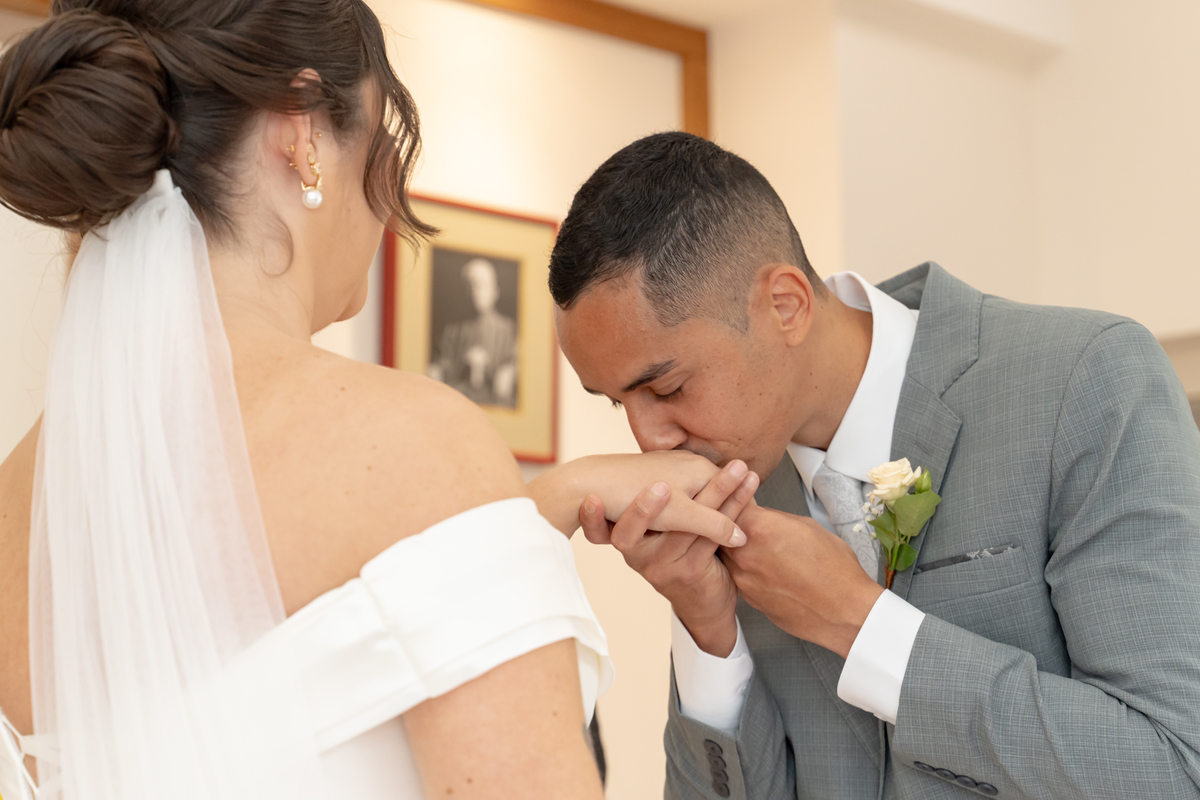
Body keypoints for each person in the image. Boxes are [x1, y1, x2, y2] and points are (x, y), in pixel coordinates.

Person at [0, 6, 750, 800]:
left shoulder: (17, 500)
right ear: (302, 133)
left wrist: (529, 511)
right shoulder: (413, 446)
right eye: (381, 136)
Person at [549, 132, 1200, 799]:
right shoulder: (729, 486)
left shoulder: (1085, 381)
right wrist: (707, 630)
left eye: (667, 388)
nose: (648, 440)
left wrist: (856, 621)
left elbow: (1174, 768)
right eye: (617, 403)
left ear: (785, 305)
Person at [428, 257, 519, 408]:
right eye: (470, 285)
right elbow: (442, 364)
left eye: (481, 285)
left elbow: (513, 364)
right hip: (458, 398)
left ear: (495, 290)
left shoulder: (508, 329)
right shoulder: (452, 330)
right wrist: (461, 363)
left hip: (493, 401)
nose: (476, 291)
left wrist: (498, 370)